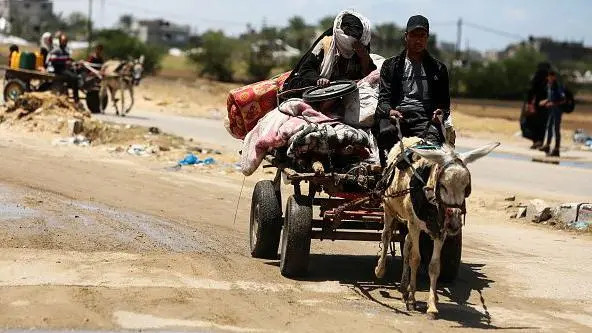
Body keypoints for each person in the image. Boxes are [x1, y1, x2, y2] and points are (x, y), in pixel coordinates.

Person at [374, 15, 451, 164]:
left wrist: (440, 113)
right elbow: (383, 101)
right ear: (406, 36)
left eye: (422, 36)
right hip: (398, 118)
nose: (418, 40)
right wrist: (390, 111)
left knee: (432, 151)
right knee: (387, 140)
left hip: (425, 120)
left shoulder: (439, 69)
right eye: (414, 35)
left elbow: (444, 105)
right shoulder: (390, 66)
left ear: (427, 38)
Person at [282, 10, 376, 96]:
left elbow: (369, 74)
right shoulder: (326, 44)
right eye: (348, 34)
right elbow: (306, 69)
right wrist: (318, 79)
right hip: (321, 87)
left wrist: (364, 57)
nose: (352, 41)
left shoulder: (360, 45)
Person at [521, 62, 551, 149]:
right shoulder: (548, 78)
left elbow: (531, 90)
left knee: (529, 122)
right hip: (544, 105)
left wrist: (529, 103)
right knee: (542, 124)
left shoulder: (536, 77)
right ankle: (539, 141)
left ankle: (536, 141)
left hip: (535, 105)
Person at [47, 33, 81, 103]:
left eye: (66, 41)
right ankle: (76, 99)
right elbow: (52, 60)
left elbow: (68, 59)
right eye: (63, 41)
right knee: (74, 78)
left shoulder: (65, 50)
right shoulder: (56, 50)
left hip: (65, 68)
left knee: (78, 73)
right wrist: (64, 63)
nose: (65, 42)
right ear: (60, 41)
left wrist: (76, 62)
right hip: (59, 69)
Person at [539, 70, 565, 157]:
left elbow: (563, 100)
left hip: (557, 110)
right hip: (551, 110)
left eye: (550, 77)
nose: (549, 78)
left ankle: (556, 149)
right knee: (549, 127)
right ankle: (547, 145)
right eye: (548, 77)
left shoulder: (558, 86)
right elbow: (551, 98)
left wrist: (552, 103)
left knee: (556, 129)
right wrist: (545, 101)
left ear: (554, 77)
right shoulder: (549, 86)